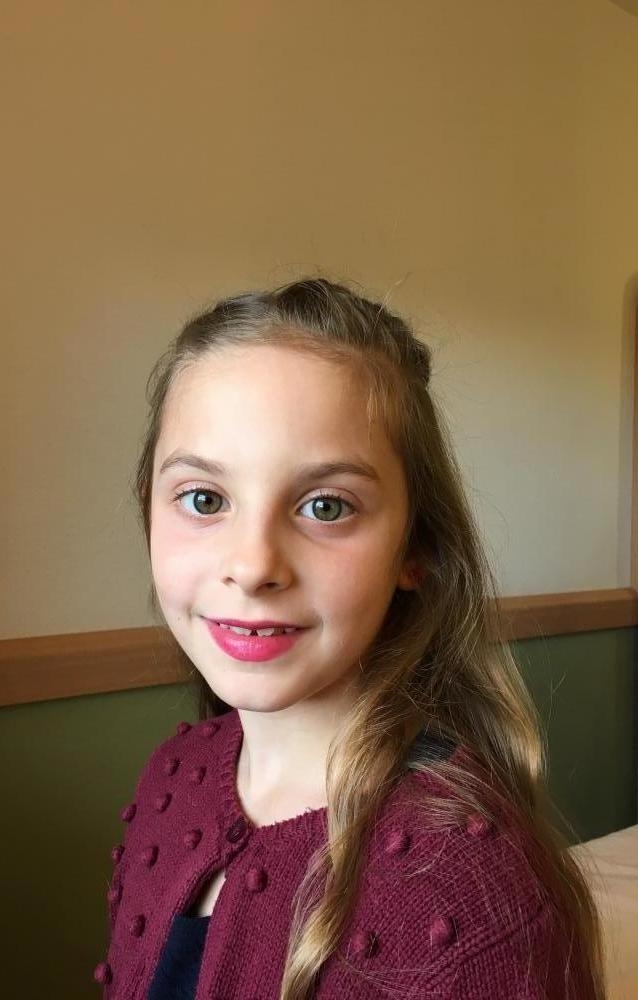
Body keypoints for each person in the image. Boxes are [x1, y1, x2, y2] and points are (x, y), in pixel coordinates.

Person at [93, 277, 605, 999]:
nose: (253, 565)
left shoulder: (470, 888)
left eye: (326, 507)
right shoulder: (175, 775)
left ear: (414, 549)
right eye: (204, 499)